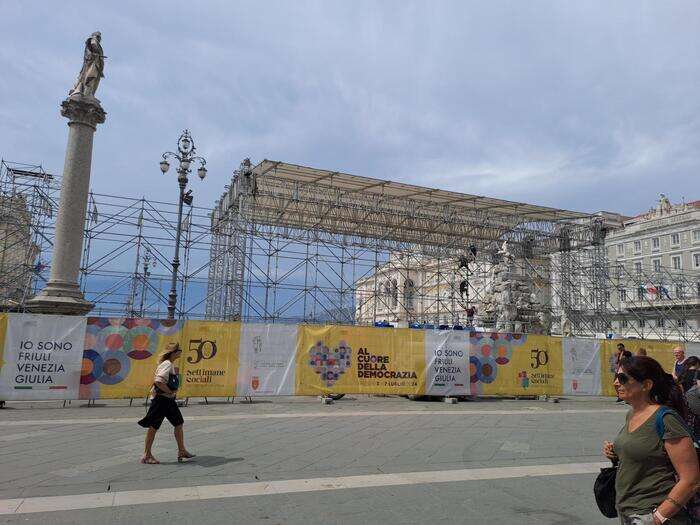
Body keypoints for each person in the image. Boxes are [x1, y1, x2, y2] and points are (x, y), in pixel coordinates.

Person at [602, 356, 699, 524]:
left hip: (652, 514)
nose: (616, 383)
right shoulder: (632, 414)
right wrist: (616, 452)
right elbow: (644, 449)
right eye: (616, 378)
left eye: (623, 378)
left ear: (646, 385)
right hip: (628, 511)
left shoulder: (666, 419)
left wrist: (657, 518)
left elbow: (691, 480)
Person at [137, 343, 195, 464]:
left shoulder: (169, 364)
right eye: (179, 350)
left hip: (167, 400)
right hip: (161, 400)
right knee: (153, 426)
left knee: (178, 422)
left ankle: (182, 450)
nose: (181, 352)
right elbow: (158, 381)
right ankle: (146, 455)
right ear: (174, 352)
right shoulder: (167, 364)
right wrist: (170, 392)